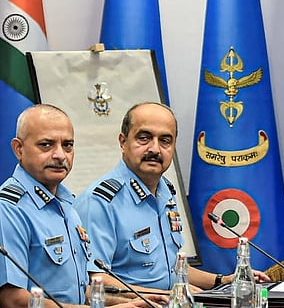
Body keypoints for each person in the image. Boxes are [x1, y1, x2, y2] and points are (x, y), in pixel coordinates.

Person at [74, 103, 268, 293]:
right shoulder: (100, 201)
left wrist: (224, 281)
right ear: (123, 142)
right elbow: (95, 281)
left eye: (165, 140)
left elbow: (169, 269)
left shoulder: (165, 191)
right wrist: (171, 296)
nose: (155, 149)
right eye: (144, 138)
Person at [0, 105, 158, 308]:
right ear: (18, 149)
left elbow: (78, 289)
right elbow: (14, 304)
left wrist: (136, 303)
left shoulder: (66, 204)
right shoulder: (9, 208)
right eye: (46, 145)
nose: (59, 155)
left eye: (68, 145)